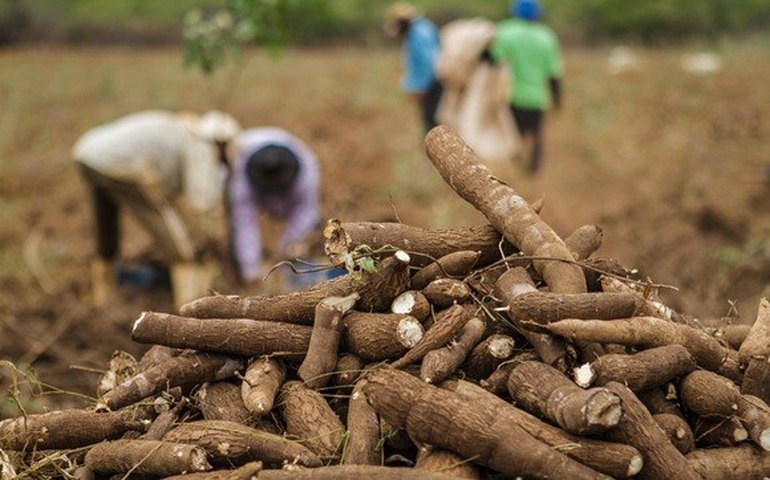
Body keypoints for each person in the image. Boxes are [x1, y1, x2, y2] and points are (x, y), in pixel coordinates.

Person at [73, 109, 241, 308]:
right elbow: (201, 204)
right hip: (124, 166)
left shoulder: (178, 130)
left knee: (106, 226)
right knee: (179, 246)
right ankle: (188, 309)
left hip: (86, 154)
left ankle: (102, 299)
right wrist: (211, 240)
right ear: (223, 143)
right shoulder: (201, 145)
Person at [227, 127, 321, 290]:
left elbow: (306, 214)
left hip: (293, 185)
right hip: (248, 170)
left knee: (300, 251)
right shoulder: (240, 175)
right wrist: (251, 271)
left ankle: (305, 281)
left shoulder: (307, 170)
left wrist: (285, 251)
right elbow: (245, 224)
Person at [492, 0, 563, 173]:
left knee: (512, 134)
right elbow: (554, 73)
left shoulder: (505, 31)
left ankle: (513, 170)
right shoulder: (547, 36)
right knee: (536, 133)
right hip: (537, 97)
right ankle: (533, 171)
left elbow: (495, 60)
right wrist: (557, 100)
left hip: (512, 94)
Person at [384, 2, 443, 132]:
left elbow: (429, 64)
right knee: (431, 121)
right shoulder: (418, 31)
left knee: (433, 123)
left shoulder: (420, 34)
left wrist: (422, 88)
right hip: (431, 83)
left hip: (433, 84)